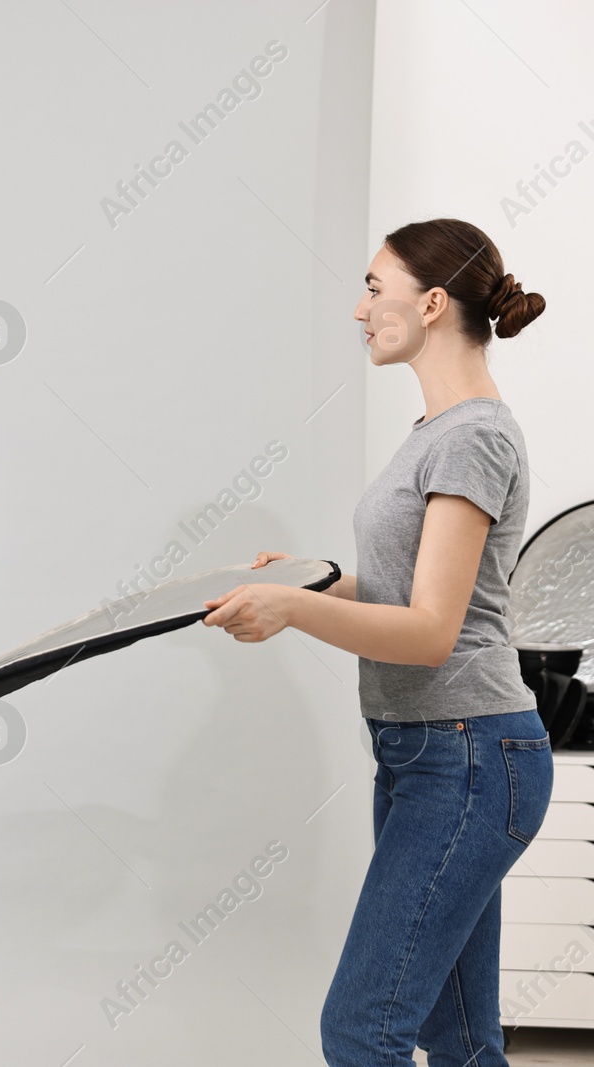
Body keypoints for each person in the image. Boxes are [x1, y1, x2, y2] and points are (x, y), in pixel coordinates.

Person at [202, 218, 552, 1066]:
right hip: (434, 753)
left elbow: (432, 634)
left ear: (431, 304)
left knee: (364, 1028)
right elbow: (430, 598)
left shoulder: (471, 434)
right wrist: (311, 581)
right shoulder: (442, 431)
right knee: (458, 1037)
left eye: (371, 287)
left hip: (467, 756)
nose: (359, 309)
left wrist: (290, 613)